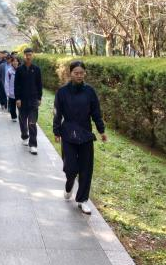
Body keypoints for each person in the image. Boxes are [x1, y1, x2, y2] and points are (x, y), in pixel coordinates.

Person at [52, 60, 107, 214]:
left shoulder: (90, 91)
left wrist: (101, 130)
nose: (79, 75)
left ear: (85, 74)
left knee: (86, 169)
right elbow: (57, 113)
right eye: (76, 73)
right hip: (68, 133)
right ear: (70, 73)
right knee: (70, 168)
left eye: (82, 73)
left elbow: (96, 112)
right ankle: (69, 184)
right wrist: (56, 131)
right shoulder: (62, 92)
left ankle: (82, 200)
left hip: (85, 133)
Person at [14, 47, 43, 155]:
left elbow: (39, 84)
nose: (28, 57)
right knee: (23, 120)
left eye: (30, 55)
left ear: (32, 55)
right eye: (27, 55)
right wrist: (17, 98)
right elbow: (16, 85)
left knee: (32, 123)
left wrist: (39, 97)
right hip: (22, 100)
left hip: (33, 100)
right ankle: (24, 136)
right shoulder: (19, 69)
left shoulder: (37, 69)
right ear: (24, 56)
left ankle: (33, 145)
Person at [5, 56, 19, 122]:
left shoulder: (21, 70)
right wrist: (7, 92)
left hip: (19, 92)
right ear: (11, 62)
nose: (15, 62)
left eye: (16, 61)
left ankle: (21, 116)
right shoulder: (9, 71)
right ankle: (14, 117)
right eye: (13, 61)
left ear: (18, 62)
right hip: (11, 92)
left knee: (20, 106)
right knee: (12, 106)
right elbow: (7, 82)